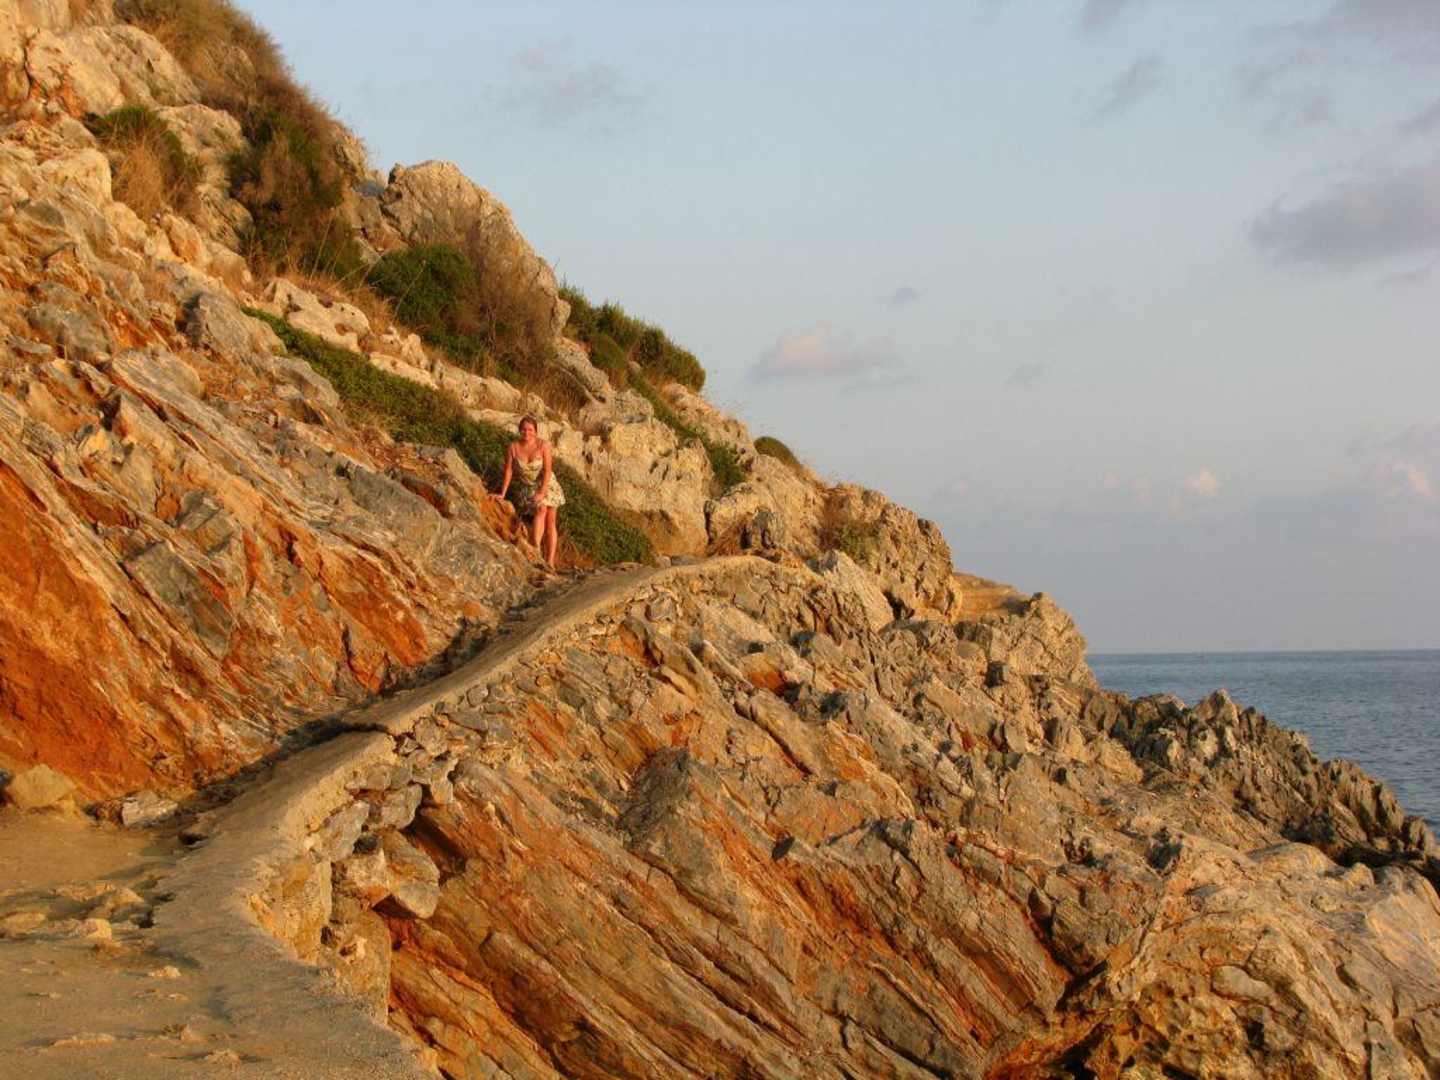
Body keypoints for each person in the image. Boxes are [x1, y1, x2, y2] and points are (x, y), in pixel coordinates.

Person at [495, 415, 565, 567]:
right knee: (541, 509)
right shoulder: (513, 448)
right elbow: (508, 471)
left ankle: (550, 561)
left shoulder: (543, 445)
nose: (527, 433)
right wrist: (503, 493)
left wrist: (542, 492)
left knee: (551, 521)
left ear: (535, 431)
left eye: (530, 430)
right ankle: (536, 549)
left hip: (548, 484)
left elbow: (547, 471)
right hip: (528, 487)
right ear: (519, 430)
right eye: (524, 429)